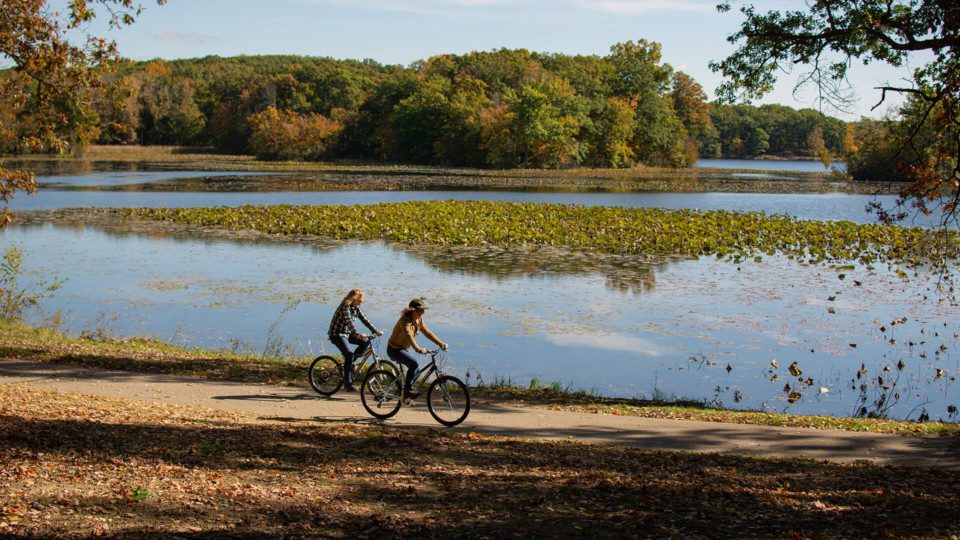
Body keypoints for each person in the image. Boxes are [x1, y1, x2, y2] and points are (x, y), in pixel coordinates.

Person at [387, 298, 448, 403]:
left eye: (424, 310)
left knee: (417, 372)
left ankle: (404, 391)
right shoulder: (404, 321)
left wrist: (441, 343)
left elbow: (428, 332)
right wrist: (418, 349)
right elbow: (408, 336)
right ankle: (407, 392)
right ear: (413, 310)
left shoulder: (419, 320)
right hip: (394, 349)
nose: (423, 312)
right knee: (414, 365)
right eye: (420, 310)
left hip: (404, 349)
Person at [328, 289, 381, 391]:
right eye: (362, 297)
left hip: (347, 333)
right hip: (337, 334)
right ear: (356, 298)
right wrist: (357, 334)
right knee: (348, 353)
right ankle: (348, 384)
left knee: (365, 342)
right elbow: (349, 322)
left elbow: (364, 319)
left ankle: (351, 364)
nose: (363, 300)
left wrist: (375, 331)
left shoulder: (356, 307)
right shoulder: (345, 307)